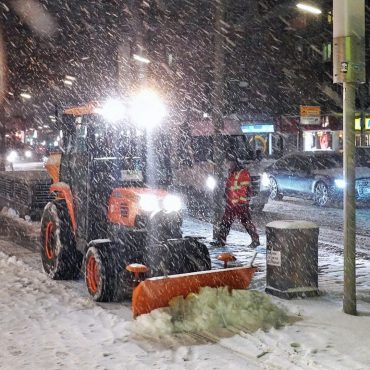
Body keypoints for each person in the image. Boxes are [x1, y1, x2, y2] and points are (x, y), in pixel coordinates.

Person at [212, 157, 260, 248]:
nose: (227, 164)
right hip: (232, 204)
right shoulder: (232, 172)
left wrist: (241, 202)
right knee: (226, 223)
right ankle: (221, 240)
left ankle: (255, 240)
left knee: (245, 222)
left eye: (229, 162)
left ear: (234, 162)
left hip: (239, 204)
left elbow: (244, 189)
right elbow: (230, 186)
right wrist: (226, 194)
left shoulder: (242, 173)